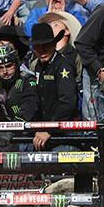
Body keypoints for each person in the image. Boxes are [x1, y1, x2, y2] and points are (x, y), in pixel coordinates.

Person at [25, 22, 78, 151]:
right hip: (42, 132)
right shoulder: (37, 66)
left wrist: (49, 130)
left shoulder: (63, 65)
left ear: (54, 44)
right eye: (38, 46)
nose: (42, 50)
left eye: (46, 45)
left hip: (64, 134)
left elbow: (68, 103)